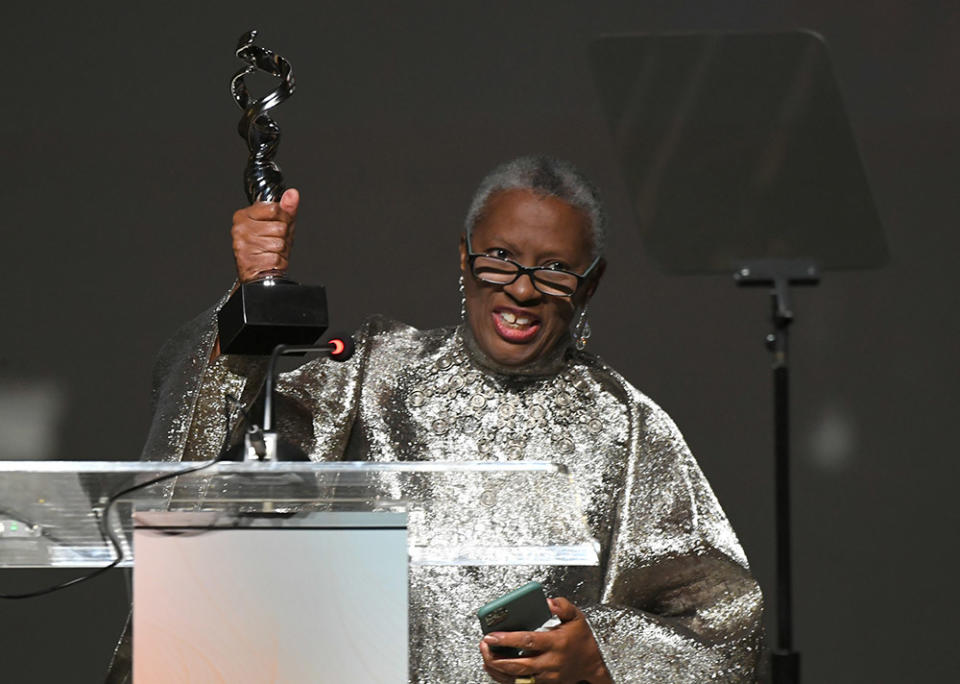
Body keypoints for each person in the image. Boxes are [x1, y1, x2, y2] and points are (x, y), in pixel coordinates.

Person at [120, 156, 764, 683]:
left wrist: (601, 655)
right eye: (500, 257)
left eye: (556, 269)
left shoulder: (628, 429)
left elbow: (725, 622)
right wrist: (250, 302)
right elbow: (200, 455)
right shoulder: (376, 370)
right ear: (464, 257)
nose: (522, 288)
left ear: (590, 285)